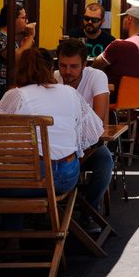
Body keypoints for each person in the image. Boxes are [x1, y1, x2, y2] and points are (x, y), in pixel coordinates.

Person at [0, 48, 103, 229]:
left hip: (32, 177)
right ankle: (11, 237)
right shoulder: (69, 93)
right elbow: (95, 131)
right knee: (14, 176)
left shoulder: (16, 95)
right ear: (51, 69)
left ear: (19, 70)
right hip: (67, 175)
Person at [54, 39, 113, 227]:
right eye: (63, 65)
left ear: (84, 65)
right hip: (59, 146)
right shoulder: (54, 78)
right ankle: (53, 213)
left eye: (73, 66)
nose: (67, 71)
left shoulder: (96, 77)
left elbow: (97, 118)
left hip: (88, 143)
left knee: (105, 161)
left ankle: (89, 210)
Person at [93, 6, 139, 92]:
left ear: (129, 19)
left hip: (113, 98)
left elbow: (96, 65)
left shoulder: (119, 45)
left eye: (124, 18)